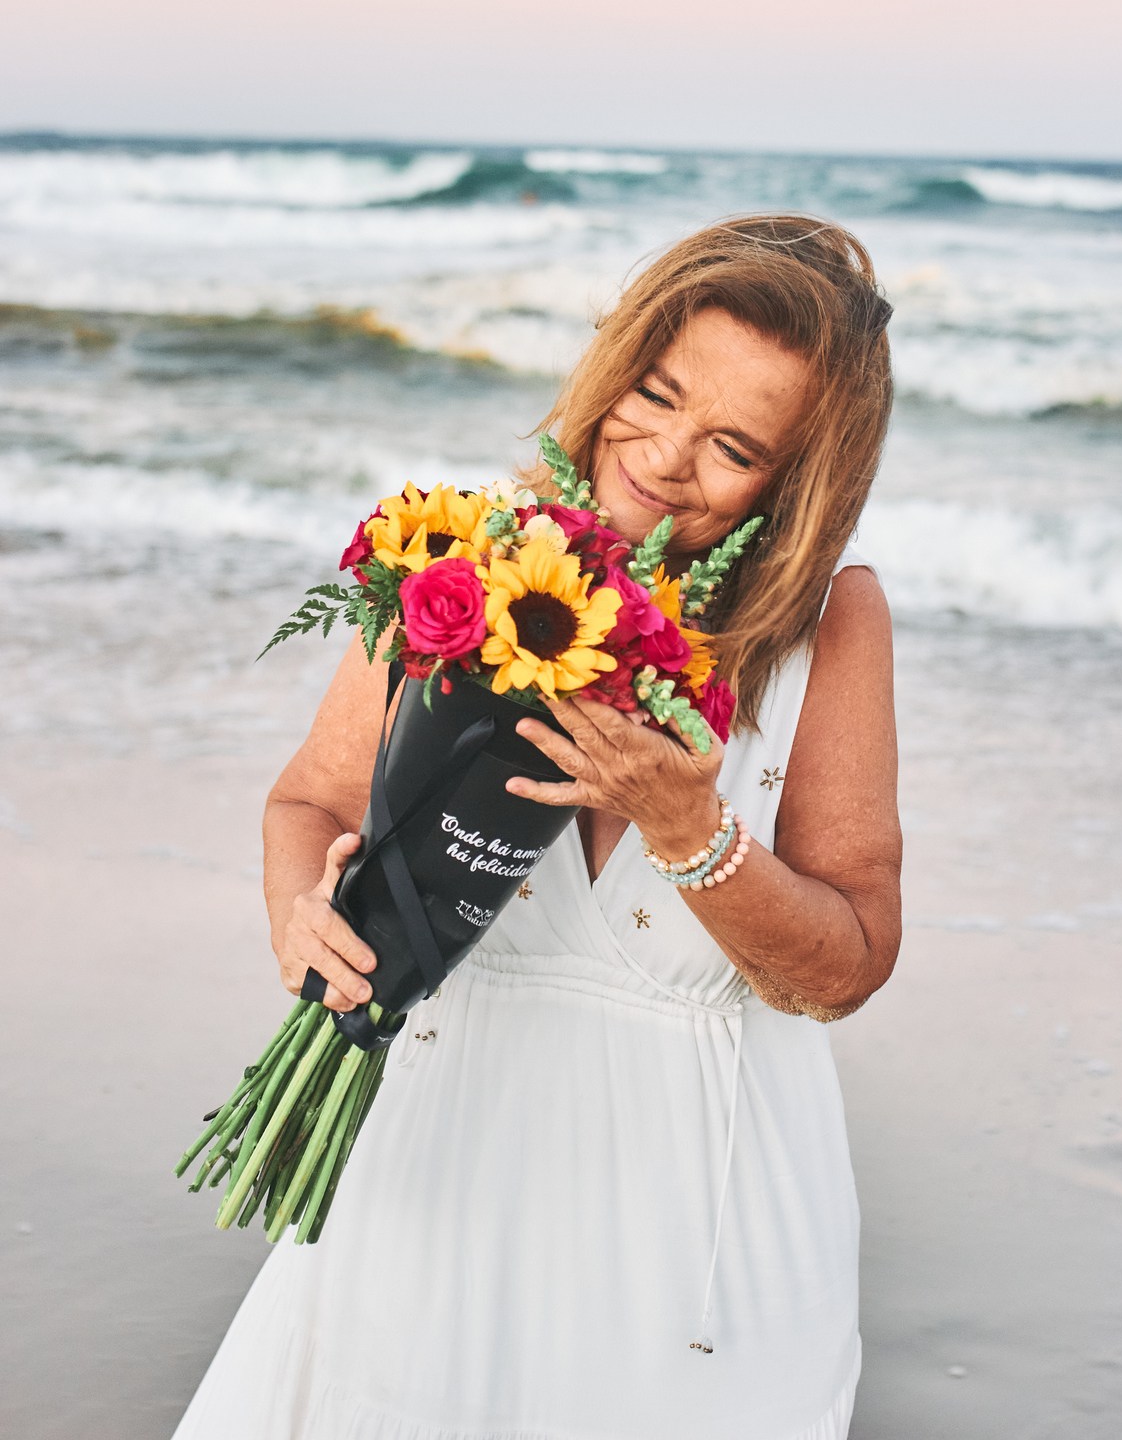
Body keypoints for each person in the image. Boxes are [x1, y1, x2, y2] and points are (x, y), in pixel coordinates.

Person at [175, 214, 902, 1440]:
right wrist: (303, 928)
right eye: (655, 394)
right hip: (430, 1198)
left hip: (693, 1277)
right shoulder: (459, 560)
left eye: (732, 445)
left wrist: (692, 832)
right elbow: (310, 802)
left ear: (799, 483)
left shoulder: (834, 628)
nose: (664, 457)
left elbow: (846, 969)